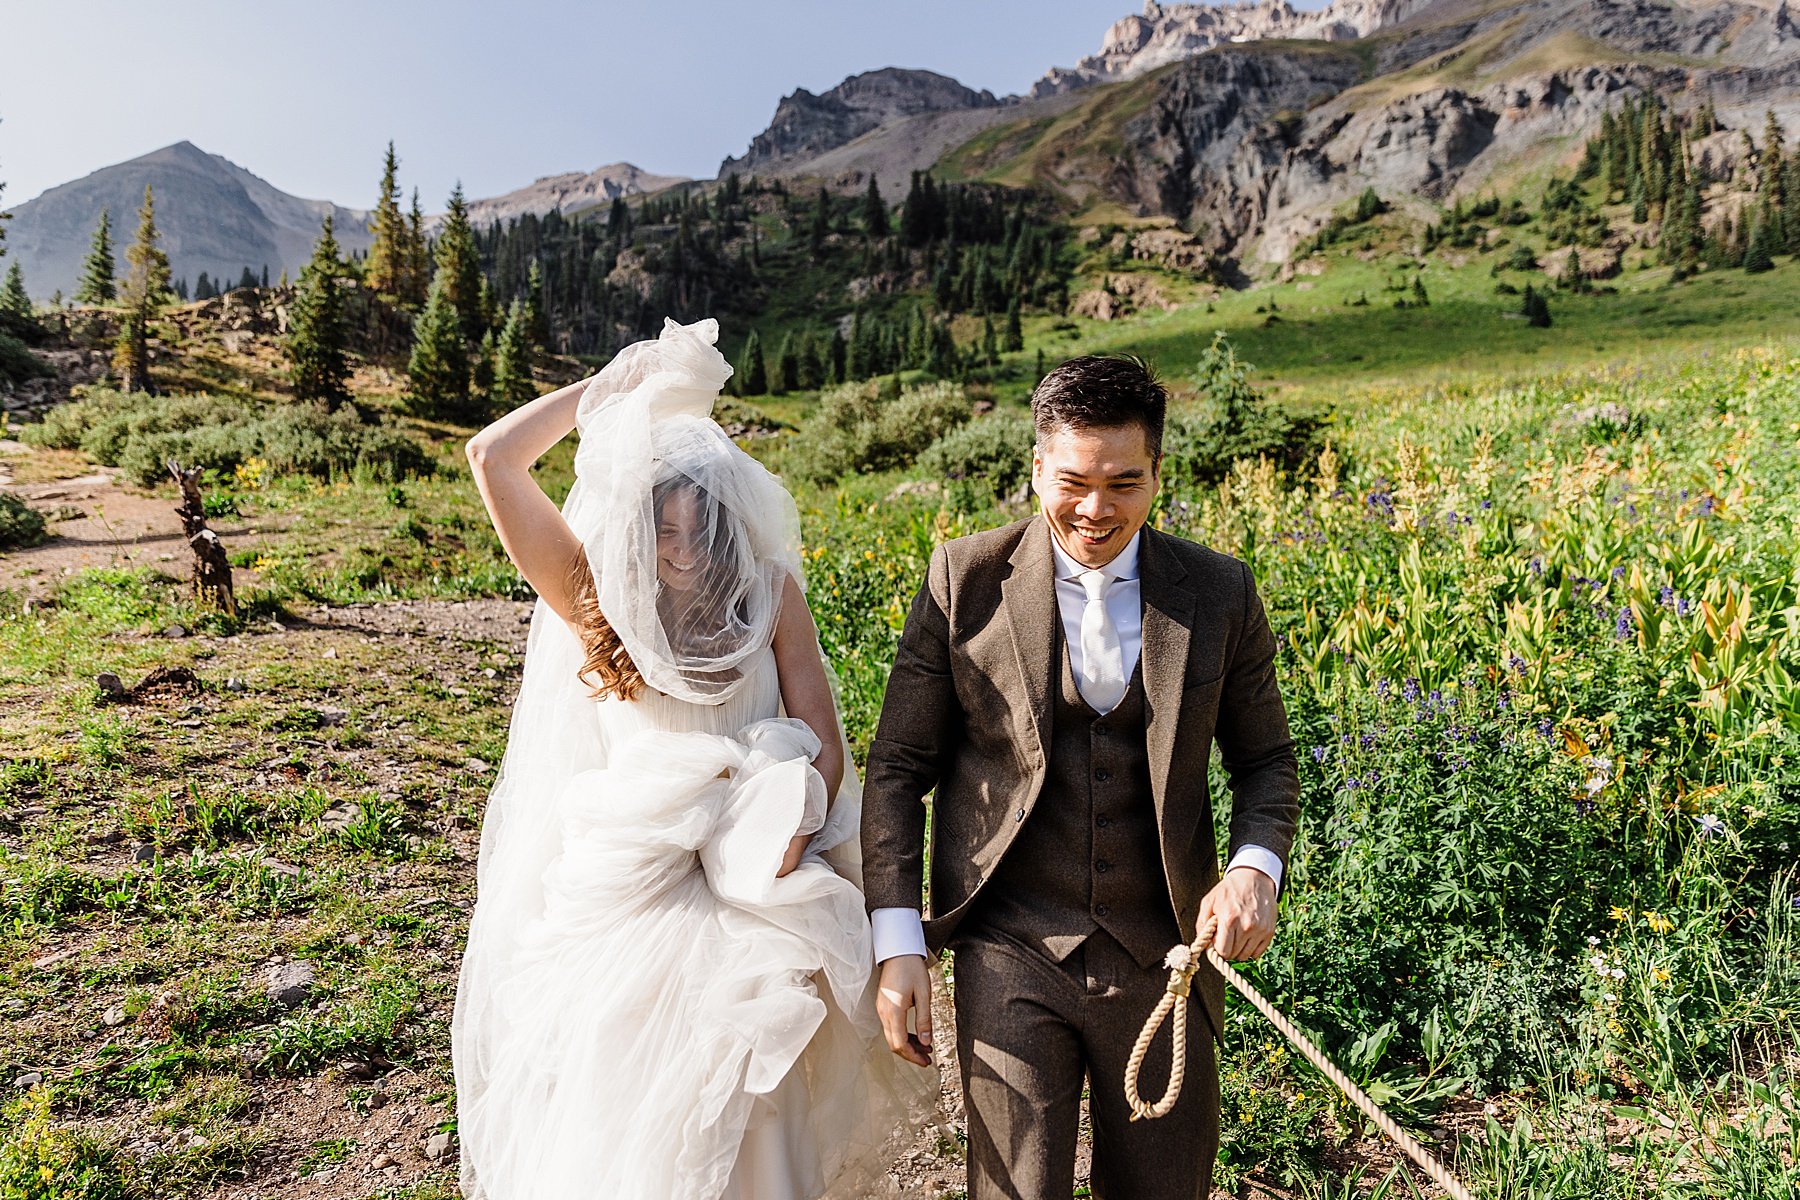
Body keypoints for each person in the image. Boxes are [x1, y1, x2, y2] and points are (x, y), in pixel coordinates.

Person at [452, 317, 929, 1199]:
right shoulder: (596, 593)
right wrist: (610, 390)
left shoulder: (773, 591)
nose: (678, 552)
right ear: (635, 522)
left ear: (727, 519)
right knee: (626, 1088)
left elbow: (820, 735)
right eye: (661, 530)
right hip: (630, 888)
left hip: (755, 881)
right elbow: (493, 458)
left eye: (697, 529)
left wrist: (795, 823)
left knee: (757, 1088)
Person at [861, 354, 1300, 1199]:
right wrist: (898, 943)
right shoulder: (962, 581)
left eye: (1125, 483)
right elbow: (897, 770)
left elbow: (1268, 762)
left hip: (1166, 950)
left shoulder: (1220, 592)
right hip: (1010, 947)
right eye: (1073, 482)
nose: (1097, 510)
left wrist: (1254, 869)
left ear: (1157, 473)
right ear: (1034, 469)